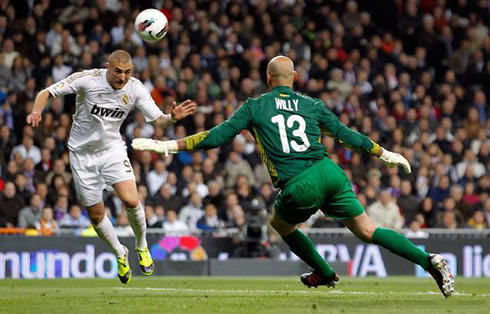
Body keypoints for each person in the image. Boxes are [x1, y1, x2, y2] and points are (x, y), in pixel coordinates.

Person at [132, 56, 455, 297]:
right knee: (368, 230)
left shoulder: (255, 106)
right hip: (330, 171)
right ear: (295, 78)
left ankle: (325, 272)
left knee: (281, 225)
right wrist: (385, 154)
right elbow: (346, 135)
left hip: (300, 182)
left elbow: (217, 137)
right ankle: (429, 261)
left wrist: (166, 147)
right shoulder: (313, 105)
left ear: (267, 78)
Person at [26, 50, 196, 284]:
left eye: (127, 72)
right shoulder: (87, 79)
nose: (123, 77)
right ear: (108, 67)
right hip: (82, 155)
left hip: (112, 150)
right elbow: (46, 92)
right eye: (118, 71)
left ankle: (141, 246)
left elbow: (159, 120)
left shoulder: (135, 88)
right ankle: (120, 252)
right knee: (96, 215)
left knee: (131, 200)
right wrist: (36, 111)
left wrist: (173, 118)